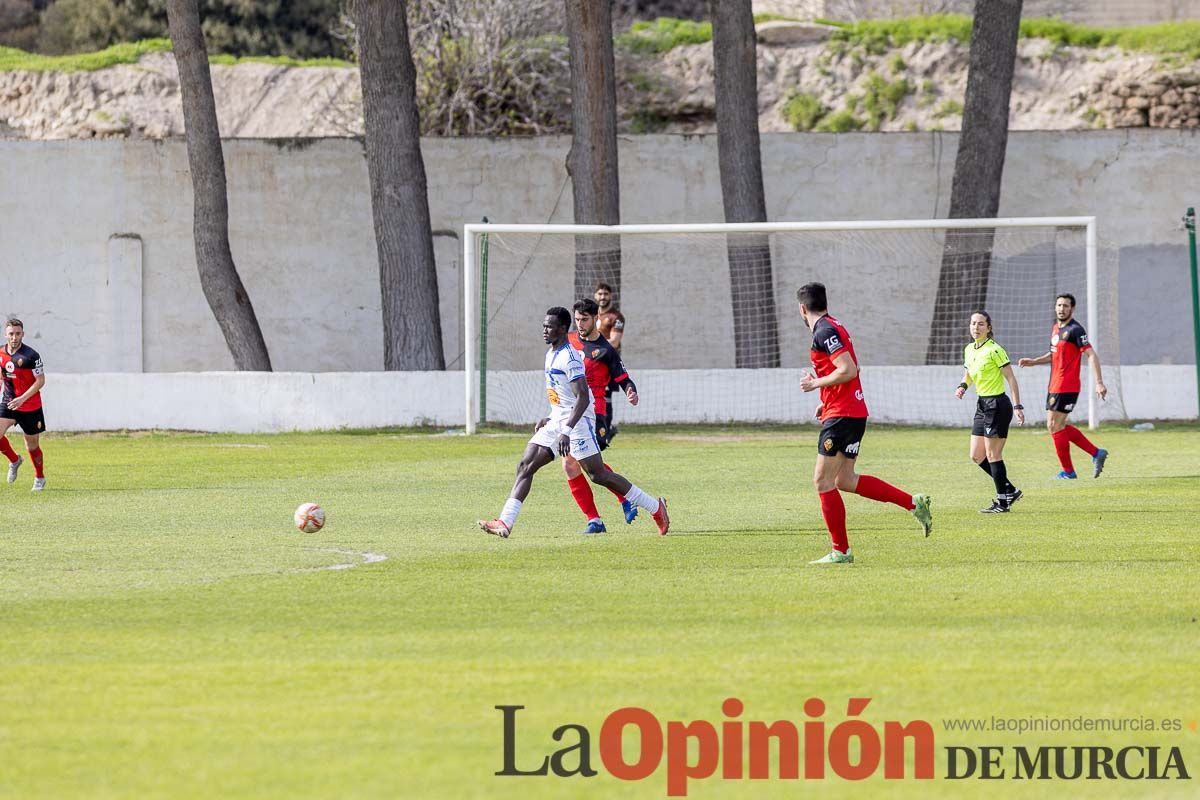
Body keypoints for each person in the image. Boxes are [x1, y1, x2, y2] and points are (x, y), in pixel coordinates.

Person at [478, 307, 669, 538]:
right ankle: (505, 522)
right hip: (559, 419)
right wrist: (551, 416)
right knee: (525, 466)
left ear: (561, 329)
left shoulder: (570, 359)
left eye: (549, 326)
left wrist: (567, 430)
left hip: (577, 422)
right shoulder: (551, 353)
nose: (544, 330)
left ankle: (655, 507)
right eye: (543, 326)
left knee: (598, 475)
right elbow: (562, 395)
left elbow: (582, 397)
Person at [797, 283, 932, 564]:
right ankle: (913, 503)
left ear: (802, 308)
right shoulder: (835, 325)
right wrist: (827, 396)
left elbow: (847, 370)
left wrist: (815, 384)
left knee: (822, 481)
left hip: (843, 415)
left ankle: (841, 551)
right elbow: (851, 369)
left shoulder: (824, 331)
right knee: (843, 479)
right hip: (850, 411)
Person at [565, 298, 640, 534]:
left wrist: (630, 390)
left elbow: (623, 377)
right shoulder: (568, 341)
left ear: (596, 318)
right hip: (571, 412)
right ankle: (597, 518)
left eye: (584, 320)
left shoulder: (606, 349)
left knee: (585, 466)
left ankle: (623, 499)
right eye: (576, 320)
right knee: (572, 464)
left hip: (595, 414)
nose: (579, 324)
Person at [1016, 293, 1109, 479]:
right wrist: (1034, 361)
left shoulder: (1076, 330)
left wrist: (1099, 382)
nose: (1061, 308)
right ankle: (1096, 453)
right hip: (1054, 385)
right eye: (1059, 305)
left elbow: (1091, 354)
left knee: (1053, 425)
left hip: (1068, 385)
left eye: (1065, 306)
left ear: (1072, 309)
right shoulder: (1056, 329)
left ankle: (1069, 471)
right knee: (1057, 425)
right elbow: (1054, 354)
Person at [955, 311, 1025, 513]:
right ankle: (1010, 489)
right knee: (976, 455)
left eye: (981, 324)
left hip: (998, 405)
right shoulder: (969, 349)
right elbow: (969, 372)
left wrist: (1018, 406)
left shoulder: (995, 350)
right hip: (982, 405)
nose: (976, 327)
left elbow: (1011, 378)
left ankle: (1003, 502)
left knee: (993, 454)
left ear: (989, 328)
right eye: (973, 323)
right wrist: (963, 386)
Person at [0, 318, 47, 492]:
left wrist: (23, 398)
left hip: (30, 405)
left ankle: (39, 477)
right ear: (6, 334)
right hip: (9, 402)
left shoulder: (31, 356)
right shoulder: (1, 354)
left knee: (32, 445)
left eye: (17, 333)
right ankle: (14, 460)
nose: (14, 337)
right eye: (11, 334)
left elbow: (40, 381)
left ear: (23, 334)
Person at [594, 282, 626, 439]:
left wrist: (594, 347)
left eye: (606, 294)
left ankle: (605, 432)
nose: (602, 297)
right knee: (593, 395)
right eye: (600, 294)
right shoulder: (592, 316)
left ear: (611, 296)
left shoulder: (616, 317)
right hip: (593, 363)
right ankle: (600, 430)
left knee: (606, 396)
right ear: (595, 295)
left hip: (608, 363)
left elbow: (614, 341)